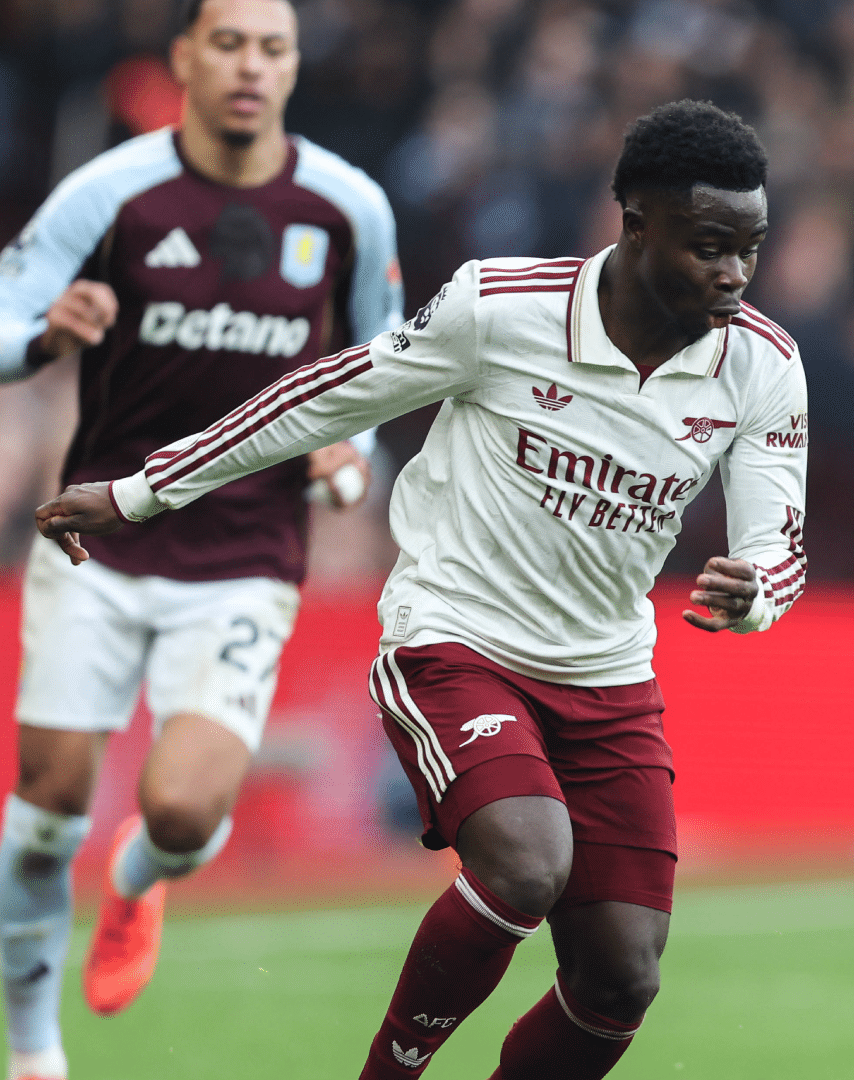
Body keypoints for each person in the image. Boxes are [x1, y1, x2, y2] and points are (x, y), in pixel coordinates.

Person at [35, 98, 807, 1080]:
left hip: (609, 677)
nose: (734, 274)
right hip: (456, 640)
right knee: (526, 863)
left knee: (622, 979)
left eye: (750, 249)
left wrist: (755, 594)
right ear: (635, 224)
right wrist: (145, 491)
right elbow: (325, 396)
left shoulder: (763, 365)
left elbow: (778, 545)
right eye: (709, 246)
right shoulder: (500, 308)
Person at [0, 1, 398, 1075]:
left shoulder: (348, 207)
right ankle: (33, 1053)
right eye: (228, 43)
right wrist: (43, 337)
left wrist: (350, 456)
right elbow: (5, 314)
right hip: (97, 536)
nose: (249, 65)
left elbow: (385, 365)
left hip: (244, 553)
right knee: (47, 811)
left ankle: (140, 880)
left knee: (180, 811)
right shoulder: (110, 191)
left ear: (294, 67)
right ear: (185, 57)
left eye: (272, 47)